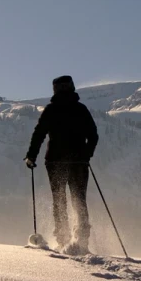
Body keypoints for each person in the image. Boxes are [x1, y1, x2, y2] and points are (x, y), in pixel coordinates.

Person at [25, 75, 98, 253]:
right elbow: (93, 135)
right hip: (79, 162)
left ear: (55, 90)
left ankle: (63, 240)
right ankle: (82, 242)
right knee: (79, 200)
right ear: (72, 87)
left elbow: (39, 134)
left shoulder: (51, 110)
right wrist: (86, 154)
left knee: (59, 200)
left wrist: (31, 156)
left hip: (55, 162)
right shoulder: (81, 109)